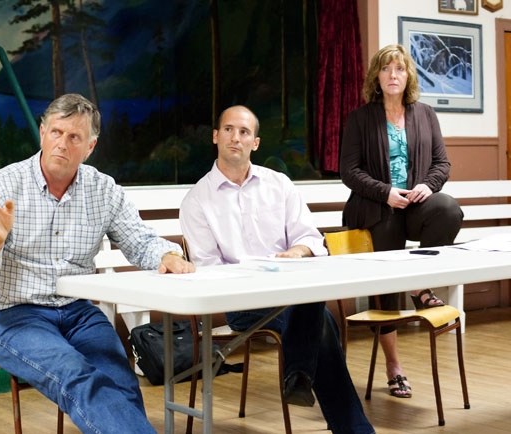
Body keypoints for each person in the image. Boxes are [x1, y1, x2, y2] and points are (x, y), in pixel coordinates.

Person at [0, 93, 195, 433]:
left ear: (90, 147)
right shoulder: (2, 185)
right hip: (12, 316)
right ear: (42, 133)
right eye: (56, 132)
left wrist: (167, 255)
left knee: (121, 382)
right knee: (76, 373)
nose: (62, 144)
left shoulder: (104, 190)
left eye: (74, 137)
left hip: (79, 313)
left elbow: (139, 239)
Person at [180, 105, 375, 434]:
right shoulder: (197, 200)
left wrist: (295, 253)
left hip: (291, 290)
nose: (235, 138)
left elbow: (310, 239)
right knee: (319, 314)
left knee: (310, 300)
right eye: (228, 129)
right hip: (241, 301)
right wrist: (256, 276)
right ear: (215, 137)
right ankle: (340, 416)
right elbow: (208, 270)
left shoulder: (279, 185)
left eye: (244, 132)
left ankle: (301, 377)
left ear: (255, 143)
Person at [340, 44, 464, 398]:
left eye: (399, 69)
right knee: (387, 284)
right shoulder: (360, 119)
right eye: (385, 69)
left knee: (448, 208)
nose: (392, 75)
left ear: (408, 75)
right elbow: (348, 171)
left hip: (414, 206)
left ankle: (419, 283)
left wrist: (427, 185)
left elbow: (442, 163)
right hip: (376, 208)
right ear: (376, 77)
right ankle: (394, 367)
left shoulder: (425, 114)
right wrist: (384, 192)